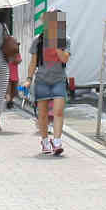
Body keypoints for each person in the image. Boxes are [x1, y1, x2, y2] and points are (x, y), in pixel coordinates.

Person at [30, 9, 70, 156]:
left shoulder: (66, 39)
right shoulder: (38, 40)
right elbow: (33, 62)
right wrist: (28, 79)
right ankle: (45, 140)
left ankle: (57, 141)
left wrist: (56, 45)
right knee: (43, 115)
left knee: (59, 111)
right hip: (42, 80)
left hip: (59, 80)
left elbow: (65, 59)